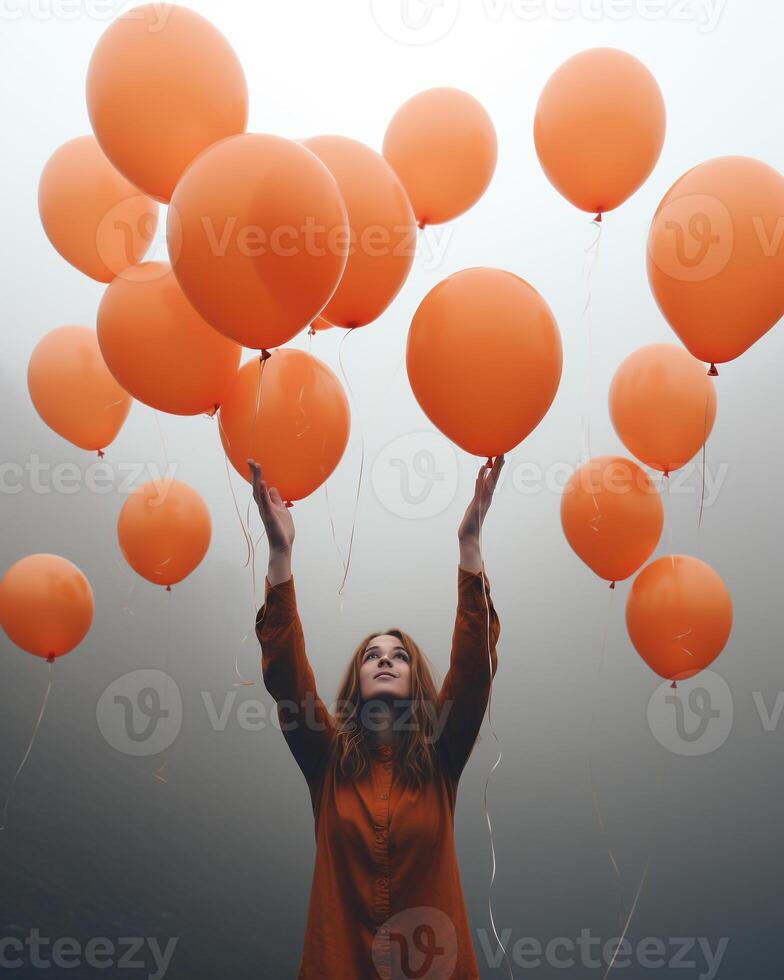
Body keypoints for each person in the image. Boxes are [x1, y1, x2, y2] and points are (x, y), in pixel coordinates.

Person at [249, 454, 505, 980]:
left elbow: (475, 671)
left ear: (416, 682)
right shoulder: (326, 764)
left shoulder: (441, 760)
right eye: (371, 654)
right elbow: (287, 676)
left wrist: (470, 548)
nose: (385, 658)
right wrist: (280, 554)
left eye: (399, 654)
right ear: (357, 680)